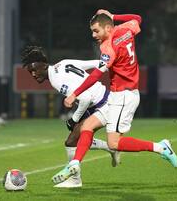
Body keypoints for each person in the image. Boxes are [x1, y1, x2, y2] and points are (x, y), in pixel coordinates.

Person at [52, 10, 177, 185]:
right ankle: (74, 164)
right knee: (86, 126)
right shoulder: (126, 29)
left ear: (108, 28)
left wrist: (74, 94)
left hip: (124, 96)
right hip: (116, 95)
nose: (93, 35)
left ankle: (161, 147)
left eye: (96, 31)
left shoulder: (107, 47)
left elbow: (96, 75)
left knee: (114, 144)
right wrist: (113, 16)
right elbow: (137, 19)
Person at [21, 46, 120, 188]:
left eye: (34, 70)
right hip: (102, 99)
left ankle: (75, 180)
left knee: (72, 141)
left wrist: (74, 119)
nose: (33, 74)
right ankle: (111, 149)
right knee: (76, 138)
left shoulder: (56, 80)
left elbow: (85, 98)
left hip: (102, 105)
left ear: (43, 66)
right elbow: (98, 63)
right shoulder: (63, 63)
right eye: (30, 72)